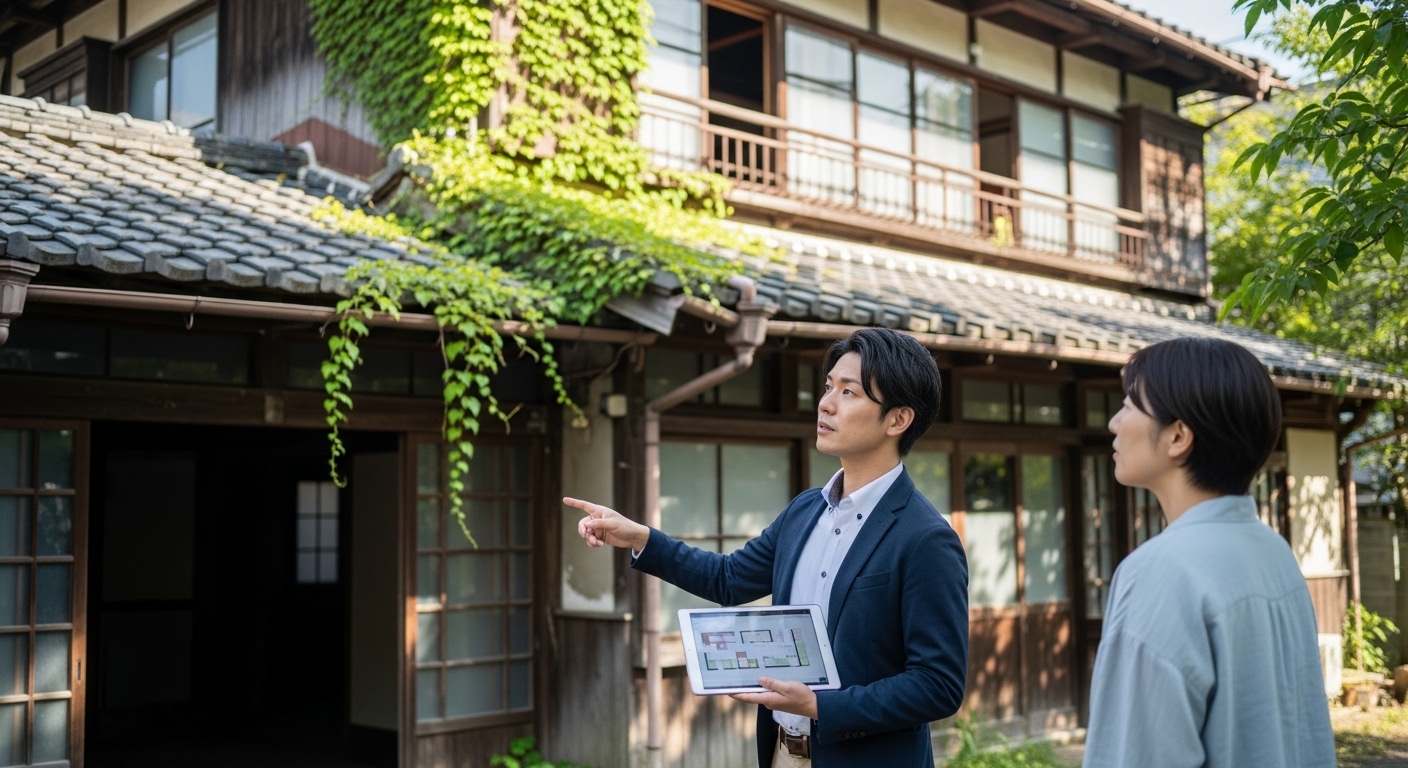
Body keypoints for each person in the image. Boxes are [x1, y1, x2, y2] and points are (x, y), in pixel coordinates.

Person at [565, 327, 968, 767]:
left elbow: (937, 685)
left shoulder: (926, 537)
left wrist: (819, 706)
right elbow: (729, 579)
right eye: (828, 386)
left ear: (898, 419)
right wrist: (641, 537)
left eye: (849, 392)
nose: (826, 403)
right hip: (780, 752)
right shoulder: (805, 511)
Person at [1084, 337, 1335, 768]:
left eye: (1128, 404)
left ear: (1178, 436)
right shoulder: (1274, 552)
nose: (1113, 423)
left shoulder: (1159, 572)